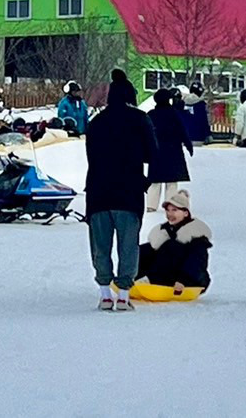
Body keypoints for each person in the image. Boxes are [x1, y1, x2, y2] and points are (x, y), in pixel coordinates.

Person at [84, 69, 156, 311]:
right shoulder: (140, 119)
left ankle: (105, 294)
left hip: (98, 191)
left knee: (100, 245)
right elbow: (152, 154)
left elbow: (91, 156)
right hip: (129, 190)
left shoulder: (96, 123)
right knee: (128, 244)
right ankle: (124, 295)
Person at [135, 189, 212, 295]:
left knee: (173, 246)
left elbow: (197, 261)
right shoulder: (166, 231)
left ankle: (151, 279)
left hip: (191, 280)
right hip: (167, 275)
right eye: (168, 210)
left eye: (174, 210)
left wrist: (184, 280)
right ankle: (132, 276)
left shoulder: (195, 235)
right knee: (146, 249)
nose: (169, 214)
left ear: (185, 213)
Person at [145, 89, 194, 210]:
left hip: (155, 151)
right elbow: (182, 131)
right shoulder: (174, 114)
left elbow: (144, 133)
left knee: (154, 181)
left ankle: (151, 206)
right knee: (172, 181)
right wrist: (188, 145)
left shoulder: (151, 114)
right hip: (173, 151)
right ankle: (170, 204)